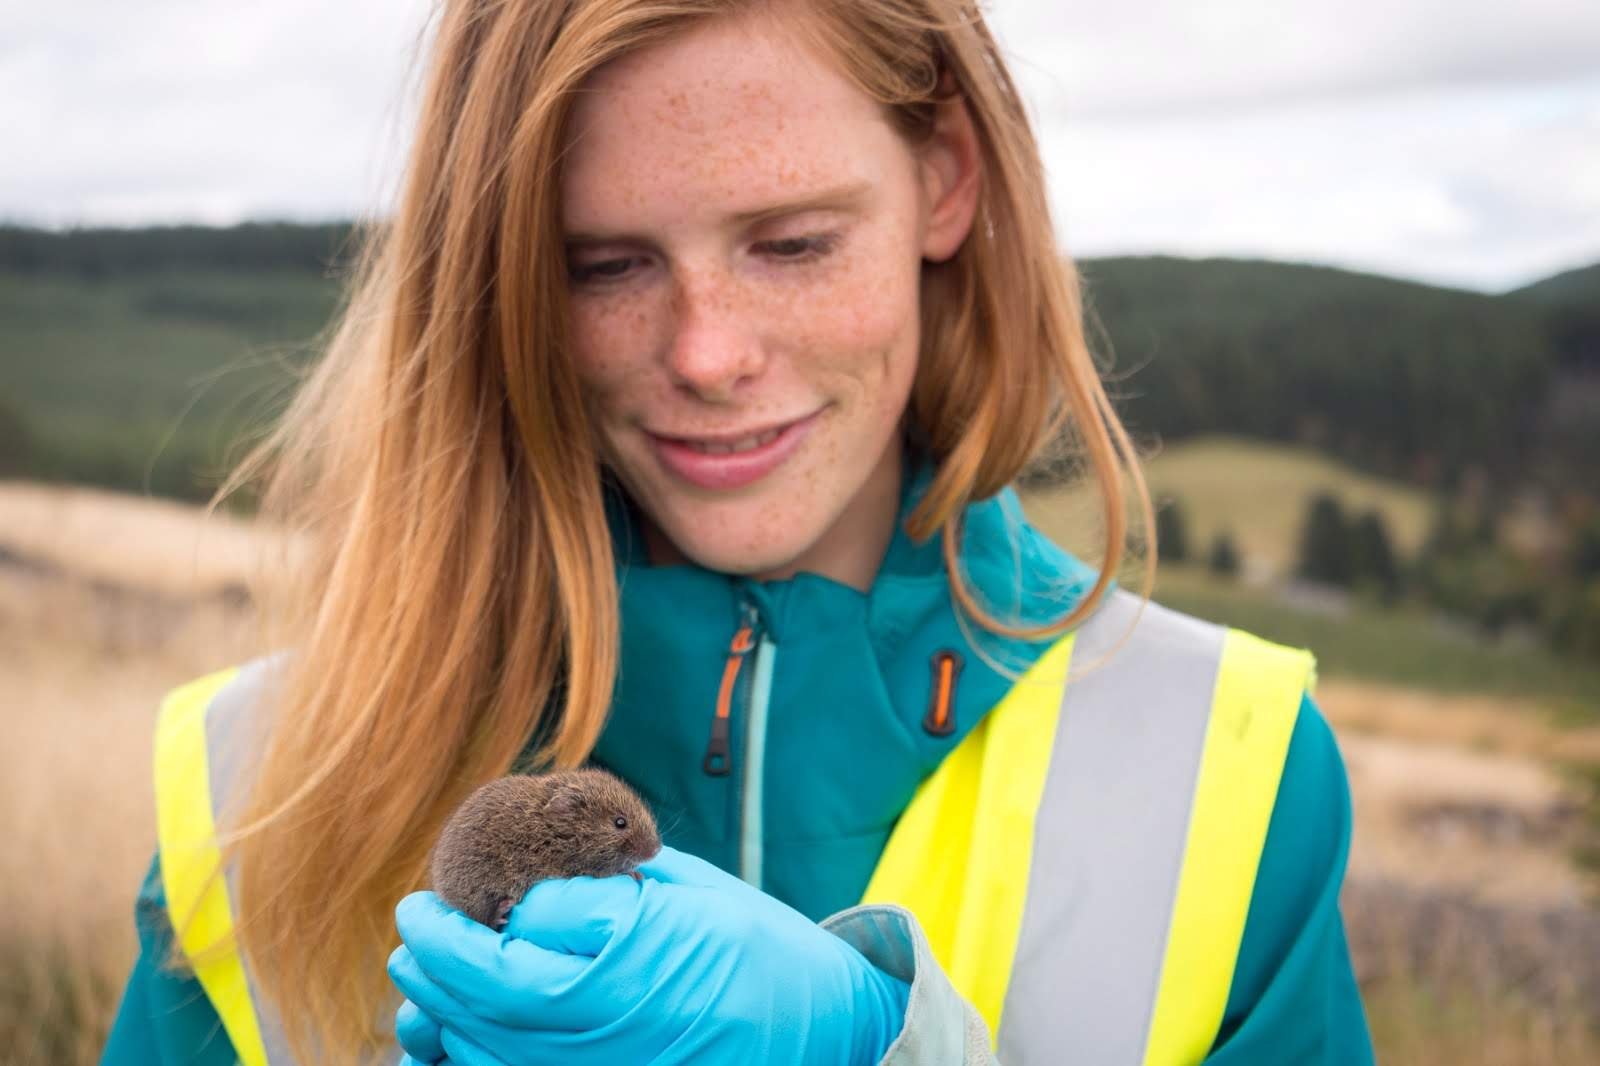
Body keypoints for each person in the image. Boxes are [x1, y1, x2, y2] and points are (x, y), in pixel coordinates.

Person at [101, 0, 1375, 1063]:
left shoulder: (1225, 773)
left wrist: (889, 1045)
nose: (707, 353)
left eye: (793, 241)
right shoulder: (258, 791)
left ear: (945, 178)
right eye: (604, 265)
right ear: (498, 273)